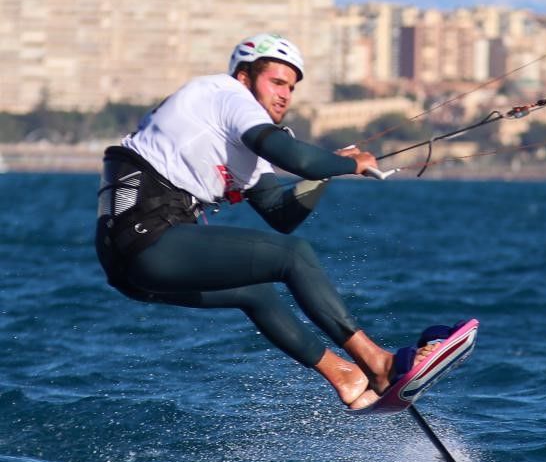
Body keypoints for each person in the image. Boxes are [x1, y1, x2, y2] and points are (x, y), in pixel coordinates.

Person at [94, 33, 425, 410]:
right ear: (245, 78)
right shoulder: (225, 95)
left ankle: (347, 376)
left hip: (129, 264)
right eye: (277, 82)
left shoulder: (238, 143)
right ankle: (377, 363)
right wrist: (350, 164)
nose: (285, 94)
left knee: (256, 292)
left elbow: (282, 215)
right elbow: (294, 158)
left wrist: (324, 172)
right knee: (294, 256)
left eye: (292, 87)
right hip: (146, 238)